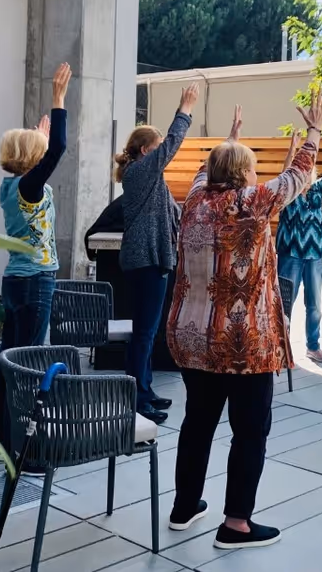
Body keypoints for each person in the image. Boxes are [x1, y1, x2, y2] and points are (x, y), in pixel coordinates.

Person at [166, 91, 322, 550]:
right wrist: (314, 129)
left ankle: (184, 507)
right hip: (243, 344)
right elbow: (298, 176)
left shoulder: (194, 202)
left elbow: (206, 172)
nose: (257, 174)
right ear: (243, 175)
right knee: (250, 431)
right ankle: (236, 524)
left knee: (197, 423)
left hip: (191, 338)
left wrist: (231, 140)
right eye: (252, 168)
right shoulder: (252, 202)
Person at [0, 62, 71, 452]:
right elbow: (57, 151)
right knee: (29, 362)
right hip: (36, 281)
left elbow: (43, 156)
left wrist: (38, 138)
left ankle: (3, 439)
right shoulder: (29, 188)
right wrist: (58, 99)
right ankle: (24, 446)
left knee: (8, 359)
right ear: (32, 159)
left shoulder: (10, 187)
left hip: (14, 280)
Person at [116, 83, 201, 425]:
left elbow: (175, 213)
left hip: (153, 260)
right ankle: (137, 398)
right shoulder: (140, 173)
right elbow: (171, 145)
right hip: (146, 261)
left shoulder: (152, 180)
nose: (161, 155)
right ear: (143, 151)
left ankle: (145, 390)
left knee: (147, 332)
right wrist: (185, 111)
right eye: (156, 148)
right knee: (144, 332)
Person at [276, 125, 322, 364]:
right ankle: (281, 349)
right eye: (302, 172)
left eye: (309, 172)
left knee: (314, 305)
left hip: (314, 255)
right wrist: (292, 149)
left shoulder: (317, 190)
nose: (306, 175)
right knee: (285, 304)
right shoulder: (288, 193)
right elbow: (284, 173)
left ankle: (313, 347)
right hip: (291, 256)